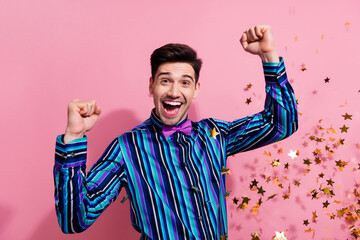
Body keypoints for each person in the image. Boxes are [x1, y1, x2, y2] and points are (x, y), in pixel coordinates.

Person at [54, 25, 298, 239]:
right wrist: (73, 138)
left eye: (184, 82)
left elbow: (281, 124)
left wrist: (268, 56)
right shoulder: (126, 149)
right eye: (165, 80)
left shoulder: (214, 134)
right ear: (151, 85)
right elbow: (74, 220)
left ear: (196, 90)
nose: (173, 92)